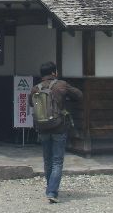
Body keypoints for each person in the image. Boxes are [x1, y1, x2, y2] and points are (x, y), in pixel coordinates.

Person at [29, 61, 83, 203]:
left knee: (47, 160)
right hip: (59, 127)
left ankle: (50, 188)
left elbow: (30, 103)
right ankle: (52, 192)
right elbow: (79, 95)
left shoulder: (35, 89)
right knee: (57, 161)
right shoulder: (61, 85)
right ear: (54, 72)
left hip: (42, 127)